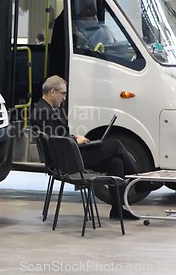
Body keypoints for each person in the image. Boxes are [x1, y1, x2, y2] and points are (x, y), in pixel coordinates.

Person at [31, 75, 140, 220]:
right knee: (116, 145)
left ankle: (117, 209)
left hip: (67, 156)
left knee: (116, 162)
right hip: (65, 162)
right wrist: (75, 140)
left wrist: (75, 138)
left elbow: (57, 135)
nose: (64, 98)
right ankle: (139, 181)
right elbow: (56, 141)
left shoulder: (46, 110)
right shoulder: (42, 112)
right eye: (63, 93)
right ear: (52, 92)